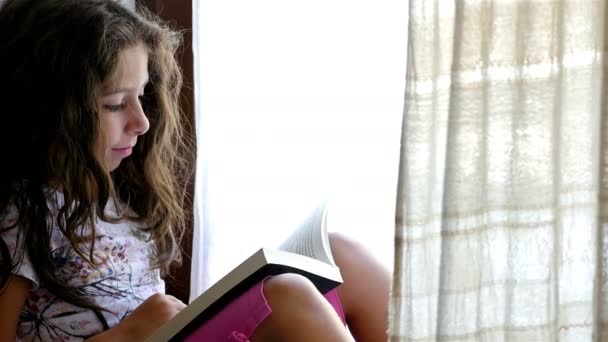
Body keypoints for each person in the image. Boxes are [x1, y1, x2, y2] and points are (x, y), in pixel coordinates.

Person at [0, 0, 391, 341]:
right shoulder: (23, 214)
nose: (142, 122)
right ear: (49, 111)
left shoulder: (117, 192)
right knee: (285, 297)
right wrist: (125, 336)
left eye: (142, 97)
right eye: (116, 104)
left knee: (343, 255)